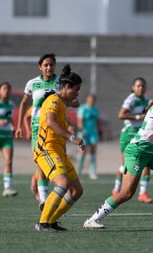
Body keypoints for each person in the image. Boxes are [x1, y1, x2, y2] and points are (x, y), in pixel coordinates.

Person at [83, 74, 153, 229]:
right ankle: (93, 219)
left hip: (152, 152)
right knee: (126, 193)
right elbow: (149, 131)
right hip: (137, 151)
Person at [33, 64, 85, 232]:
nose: (77, 94)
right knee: (62, 183)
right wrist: (71, 137)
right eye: (76, 90)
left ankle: (52, 220)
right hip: (46, 150)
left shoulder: (62, 104)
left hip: (59, 152)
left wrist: (71, 133)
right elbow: (50, 122)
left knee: (77, 190)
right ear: (67, 87)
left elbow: (60, 124)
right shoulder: (54, 100)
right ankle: (42, 223)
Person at [15, 53, 60, 209]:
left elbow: (70, 101)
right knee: (42, 162)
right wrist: (20, 125)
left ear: (55, 66)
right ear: (40, 67)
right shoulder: (32, 83)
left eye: (51, 65)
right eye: (46, 65)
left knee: (54, 159)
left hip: (55, 128)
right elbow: (24, 104)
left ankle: (36, 180)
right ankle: (44, 199)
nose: (49, 67)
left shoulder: (60, 83)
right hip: (37, 128)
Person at [112, 77, 153, 203]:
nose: (141, 88)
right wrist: (138, 116)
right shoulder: (131, 99)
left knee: (146, 163)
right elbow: (121, 115)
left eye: (143, 86)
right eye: (138, 86)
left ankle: (143, 193)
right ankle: (116, 190)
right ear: (133, 88)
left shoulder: (147, 101)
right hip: (128, 134)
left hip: (140, 135)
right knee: (125, 166)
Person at [76, 93, 101, 180]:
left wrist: (99, 130)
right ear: (87, 100)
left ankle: (92, 172)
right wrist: (82, 131)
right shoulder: (82, 108)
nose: (91, 101)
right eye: (90, 100)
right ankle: (78, 170)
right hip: (84, 133)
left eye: (93, 100)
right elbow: (80, 121)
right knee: (82, 152)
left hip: (93, 133)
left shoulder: (95, 109)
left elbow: (97, 121)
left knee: (93, 152)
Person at [0, 82, 18, 197]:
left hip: (7, 138)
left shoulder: (11, 104)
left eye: (9, 89)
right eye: (4, 88)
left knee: (8, 161)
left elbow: (10, 120)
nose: (7, 91)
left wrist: (13, 128)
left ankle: (7, 188)